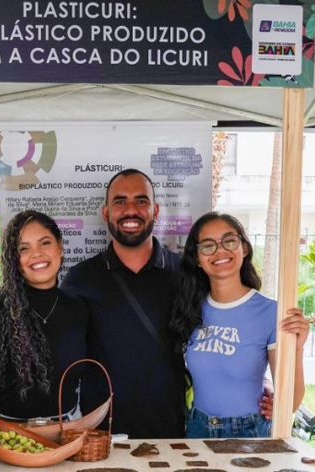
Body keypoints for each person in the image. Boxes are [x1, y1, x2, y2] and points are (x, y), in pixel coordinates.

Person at [60, 169, 187, 439]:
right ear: (106, 213)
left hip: (171, 432)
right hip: (101, 436)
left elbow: (219, 332)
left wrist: (264, 382)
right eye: (120, 201)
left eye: (141, 201)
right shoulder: (80, 278)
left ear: (156, 210)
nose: (131, 210)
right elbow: (51, 342)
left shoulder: (185, 275)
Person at [169, 211, 309, 438]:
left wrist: (298, 348)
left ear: (244, 248)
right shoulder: (190, 309)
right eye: (208, 245)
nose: (220, 250)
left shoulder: (270, 312)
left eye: (229, 241)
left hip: (250, 432)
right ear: (197, 258)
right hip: (198, 429)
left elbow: (290, 400)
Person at [0, 210, 89, 421]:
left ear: (60, 247)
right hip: (2, 437)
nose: (36, 254)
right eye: (24, 248)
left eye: (45, 243)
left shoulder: (78, 309)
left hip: (68, 433)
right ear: (14, 259)